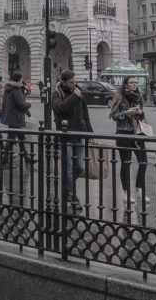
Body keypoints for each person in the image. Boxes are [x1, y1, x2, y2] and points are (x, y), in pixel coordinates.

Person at [52, 70, 93, 210]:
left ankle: (67, 187)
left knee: (81, 166)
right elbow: (59, 109)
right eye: (70, 82)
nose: (73, 84)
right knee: (69, 168)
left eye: (74, 82)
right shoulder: (57, 94)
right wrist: (73, 97)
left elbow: (85, 115)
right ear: (63, 82)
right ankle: (72, 194)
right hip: (66, 136)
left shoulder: (78, 92)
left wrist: (90, 134)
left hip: (80, 134)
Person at [110, 76, 149, 207]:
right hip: (123, 133)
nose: (135, 85)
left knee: (143, 162)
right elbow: (114, 116)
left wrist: (140, 112)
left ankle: (140, 189)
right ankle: (126, 192)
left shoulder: (138, 97)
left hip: (137, 133)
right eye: (132, 83)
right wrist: (126, 112)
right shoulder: (119, 96)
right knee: (125, 163)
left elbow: (142, 117)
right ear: (125, 85)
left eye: (135, 82)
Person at [0, 72, 34, 168]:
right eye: (22, 79)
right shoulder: (16, 90)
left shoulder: (8, 89)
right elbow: (21, 104)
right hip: (16, 118)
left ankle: (27, 159)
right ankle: (4, 161)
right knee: (10, 140)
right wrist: (29, 104)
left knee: (21, 139)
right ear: (19, 79)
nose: (22, 80)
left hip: (12, 117)